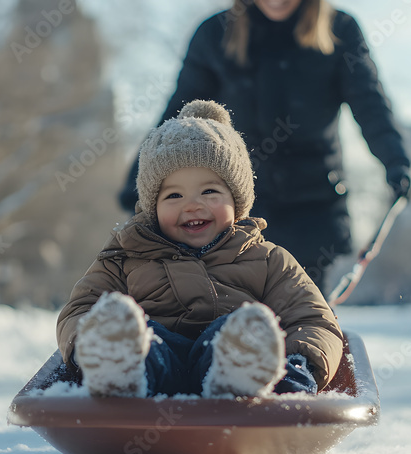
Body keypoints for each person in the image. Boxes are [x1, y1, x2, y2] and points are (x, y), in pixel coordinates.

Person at [58, 100, 344, 398]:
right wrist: (90, 343)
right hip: (154, 370)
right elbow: (80, 309)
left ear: (238, 201)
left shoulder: (269, 260)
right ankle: (120, 366)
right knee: (145, 337)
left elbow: (311, 318)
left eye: (210, 191)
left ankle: (240, 369)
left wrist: (299, 364)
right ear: (152, 207)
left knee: (239, 330)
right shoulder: (126, 257)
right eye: (174, 195)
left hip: (229, 360)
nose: (192, 205)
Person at [118, 0, 411, 286]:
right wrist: (140, 180)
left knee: (305, 317)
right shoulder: (216, 34)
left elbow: (370, 104)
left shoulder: (340, 30)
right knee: (236, 318)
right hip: (238, 211)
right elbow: (179, 114)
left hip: (313, 206)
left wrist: (398, 161)